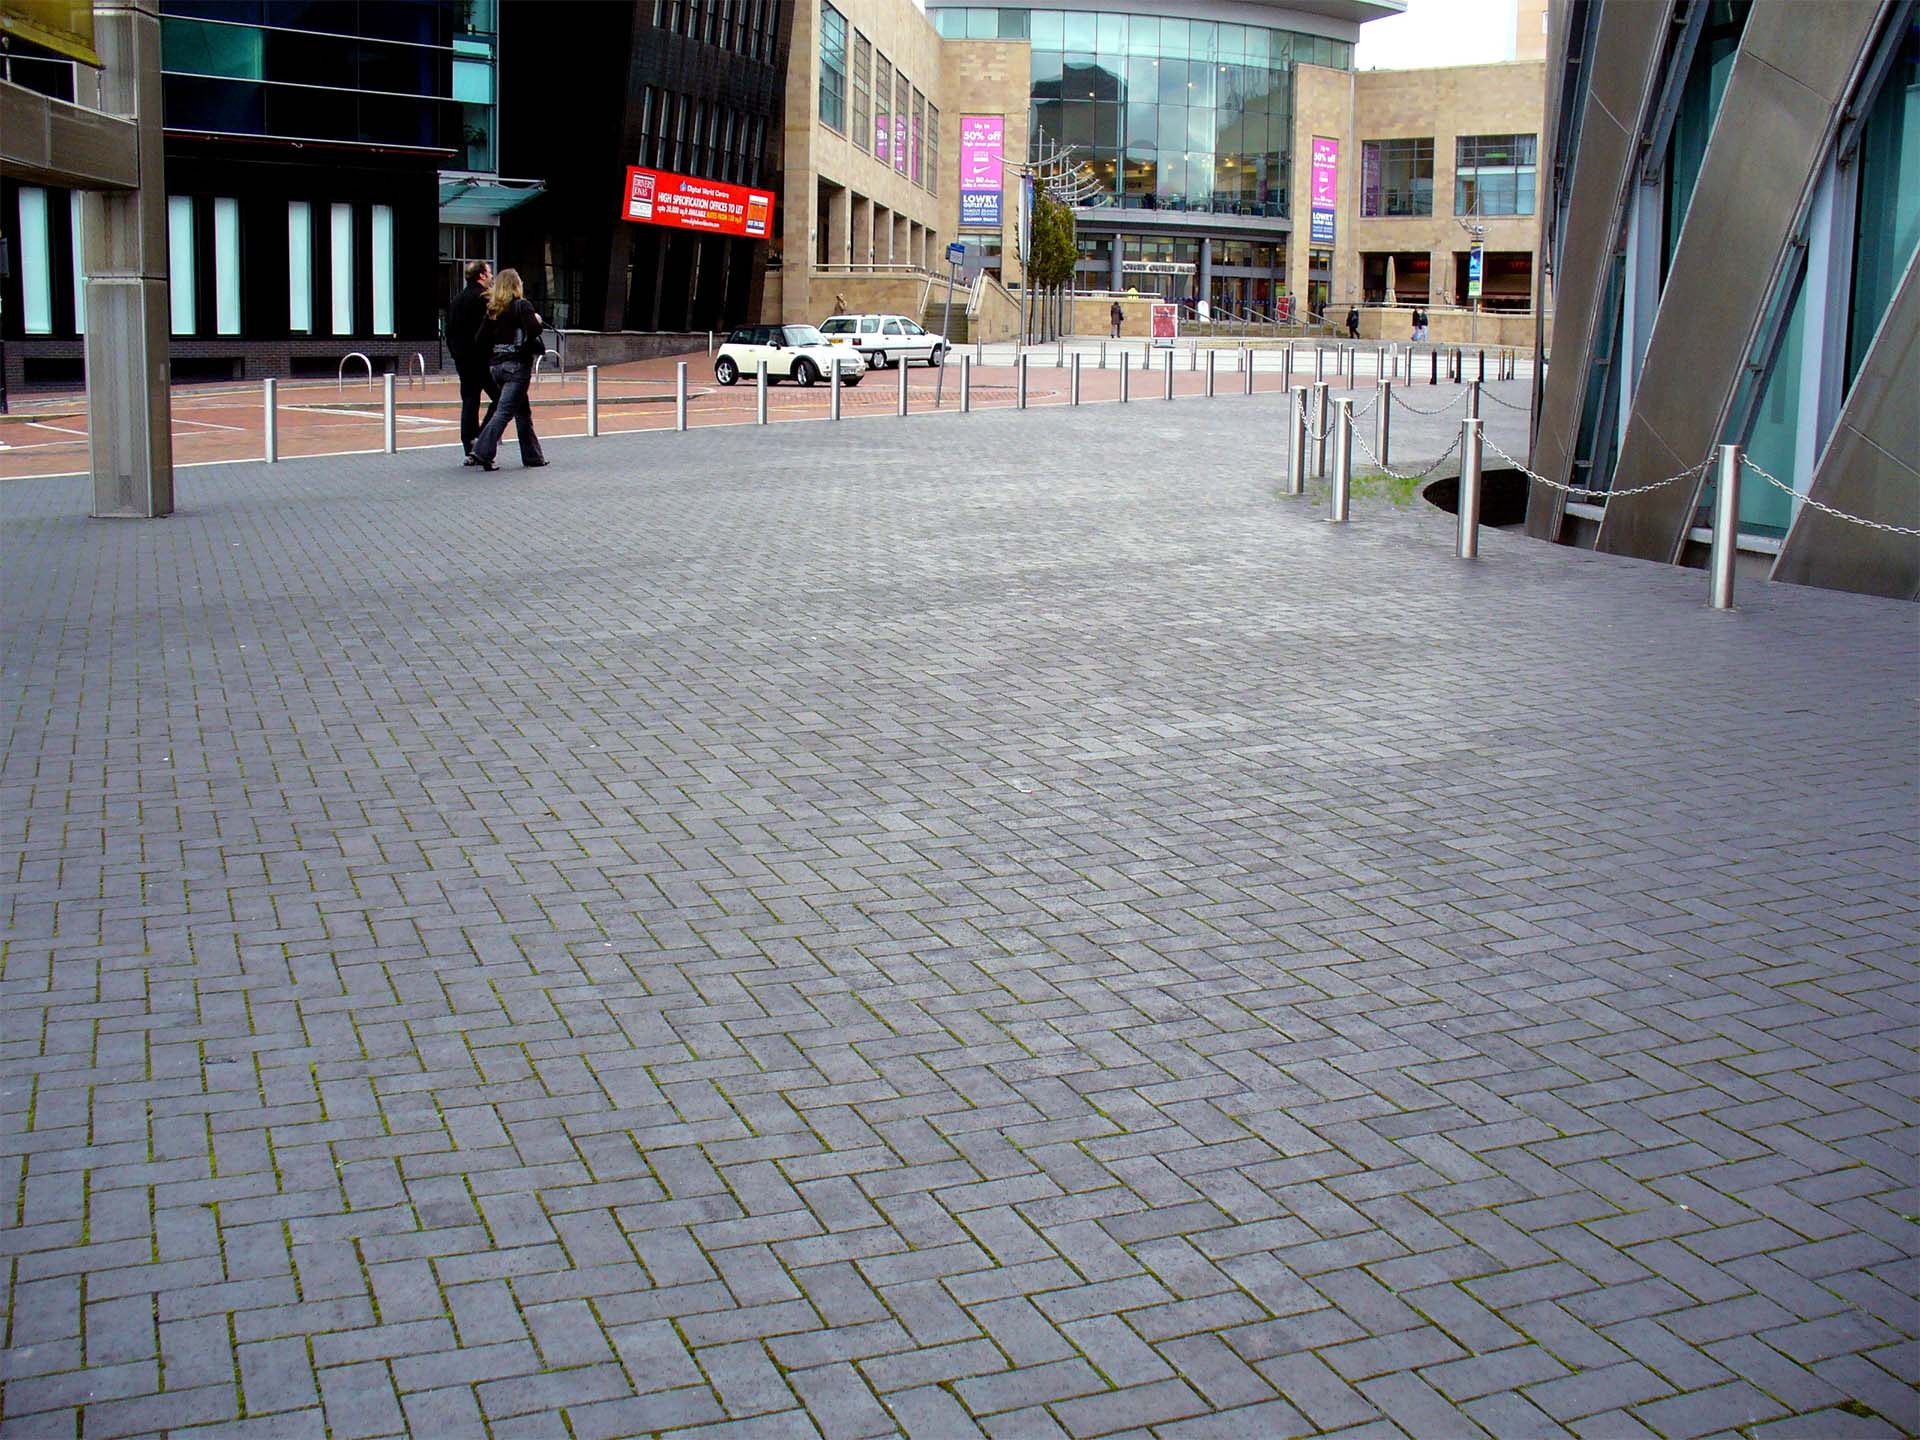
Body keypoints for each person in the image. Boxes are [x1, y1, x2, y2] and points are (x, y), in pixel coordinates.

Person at [468, 267, 547, 472]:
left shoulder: (494, 310)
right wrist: (537, 320)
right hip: (517, 366)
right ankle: (482, 450)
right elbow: (533, 330)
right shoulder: (522, 305)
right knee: (504, 412)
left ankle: (533, 456)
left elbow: (479, 339)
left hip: (496, 366)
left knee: (522, 412)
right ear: (516, 285)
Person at [447, 260, 501, 459]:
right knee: (500, 399)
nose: (491, 276)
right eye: (489, 272)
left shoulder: (457, 300)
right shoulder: (483, 298)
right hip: (480, 359)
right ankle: (481, 438)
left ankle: (469, 446)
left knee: (469, 401)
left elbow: (449, 332)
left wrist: (455, 354)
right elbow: (487, 330)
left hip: (463, 359)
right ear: (481, 275)